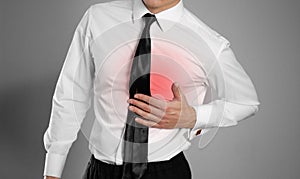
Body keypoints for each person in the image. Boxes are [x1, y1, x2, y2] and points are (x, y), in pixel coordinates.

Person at [43, 0, 260, 178]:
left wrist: (193, 117)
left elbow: (246, 102)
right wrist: (53, 168)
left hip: (164, 172)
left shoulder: (208, 41)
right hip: (101, 171)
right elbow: (71, 93)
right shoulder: (97, 19)